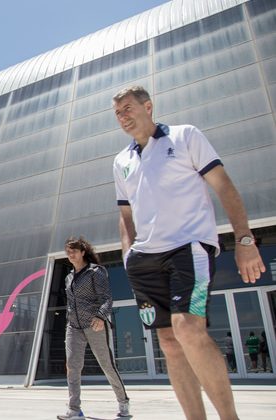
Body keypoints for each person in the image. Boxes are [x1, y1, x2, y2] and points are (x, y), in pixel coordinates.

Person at [112, 85, 266, 420]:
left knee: (187, 327)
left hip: (188, 247)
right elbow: (126, 215)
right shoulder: (121, 161)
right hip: (144, 259)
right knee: (168, 342)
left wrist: (244, 240)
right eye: (118, 113)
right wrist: (128, 255)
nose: (123, 117)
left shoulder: (184, 137)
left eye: (127, 108)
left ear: (148, 106)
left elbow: (224, 185)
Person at [57, 237, 130, 420]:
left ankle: (123, 402)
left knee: (107, 364)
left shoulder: (95, 272)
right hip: (74, 326)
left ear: (83, 252)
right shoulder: (69, 277)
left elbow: (106, 298)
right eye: (68, 251)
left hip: (94, 325)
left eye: (74, 250)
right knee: (72, 366)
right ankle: (75, 410)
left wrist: (100, 316)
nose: (70, 254)